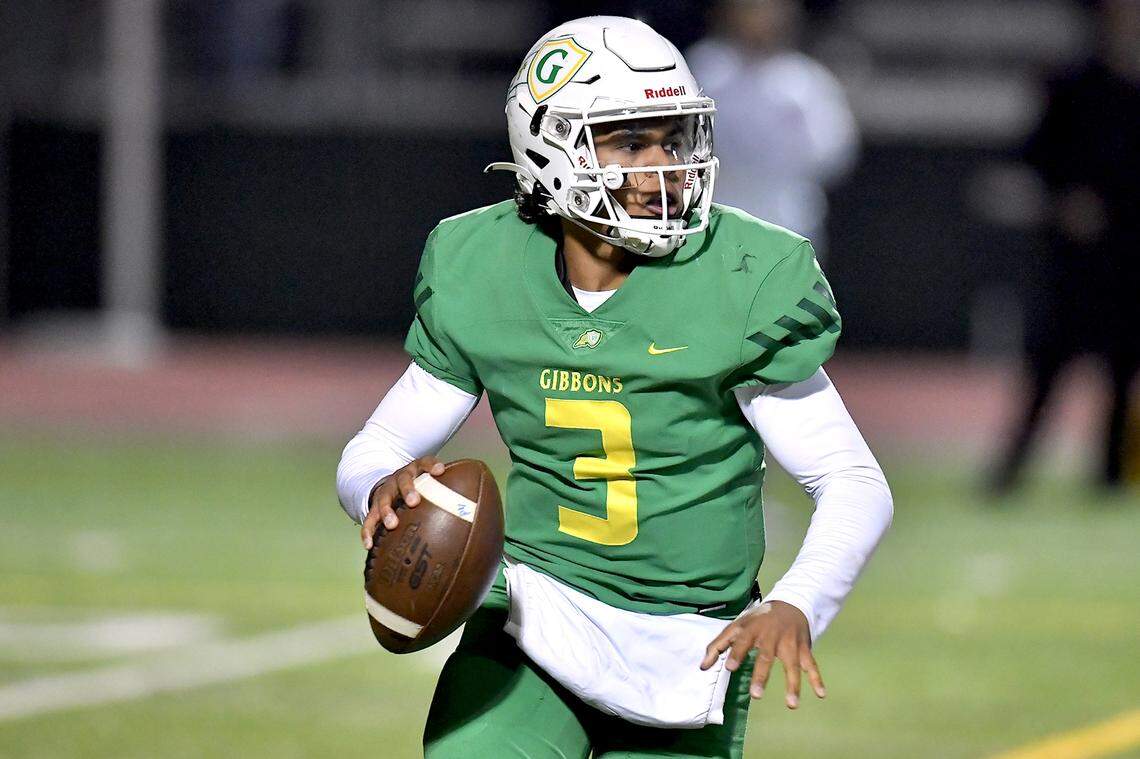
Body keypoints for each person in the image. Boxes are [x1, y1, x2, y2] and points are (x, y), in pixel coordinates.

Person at [337, 16, 892, 758]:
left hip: (692, 639)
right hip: (536, 612)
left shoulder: (742, 276)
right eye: (631, 142)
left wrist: (797, 598)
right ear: (548, 147)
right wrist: (381, 487)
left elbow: (852, 479)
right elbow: (375, 448)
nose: (663, 166)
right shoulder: (485, 264)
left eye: (674, 139)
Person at [989, 0, 1139, 493]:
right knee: (1048, 365)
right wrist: (1064, 202)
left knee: (1123, 370)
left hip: (1131, 257)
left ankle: (1111, 478)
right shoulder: (1070, 84)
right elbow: (1033, 157)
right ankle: (1010, 473)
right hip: (1073, 258)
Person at [685, 0, 858, 256]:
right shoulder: (705, 69)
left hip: (786, 224)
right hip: (713, 224)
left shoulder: (806, 82)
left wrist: (784, 154)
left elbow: (835, 154)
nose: (760, 18)